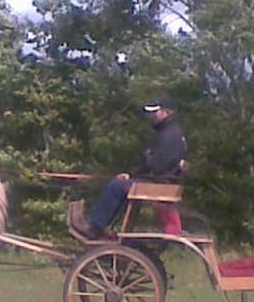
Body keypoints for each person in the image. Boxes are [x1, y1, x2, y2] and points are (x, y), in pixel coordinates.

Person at [71, 96, 187, 240]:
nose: (152, 115)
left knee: (115, 186)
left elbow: (157, 165)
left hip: (159, 183)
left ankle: (96, 227)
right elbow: (154, 163)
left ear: (166, 112)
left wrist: (145, 160)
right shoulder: (170, 132)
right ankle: (103, 227)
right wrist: (131, 174)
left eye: (156, 111)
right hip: (160, 181)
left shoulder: (169, 135)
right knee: (119, 185)